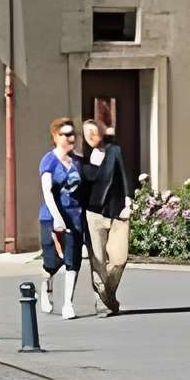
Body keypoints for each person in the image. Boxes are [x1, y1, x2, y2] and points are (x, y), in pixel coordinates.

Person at [79, 114, 134, 315]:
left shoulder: (115, 151)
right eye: (87, 134)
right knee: (98, 260)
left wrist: (128, 200)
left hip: (118, 211)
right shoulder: (82, 159)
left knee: (119, 259)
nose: (92, 136)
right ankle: (102, 303)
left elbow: (126, 174)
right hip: (93, 214)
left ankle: (106, 292)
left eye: (95, 131)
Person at [37, 116, 87, 320]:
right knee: (52, 262)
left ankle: (68, 303)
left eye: (72, 134)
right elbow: (47, 193)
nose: (70, 137)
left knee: (72, 261)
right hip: (52, 217)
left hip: (75, 216)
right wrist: (58, 219)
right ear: (55, 137)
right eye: (65, 134)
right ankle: (46, 289)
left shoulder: (78, 161)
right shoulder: (48, 160)